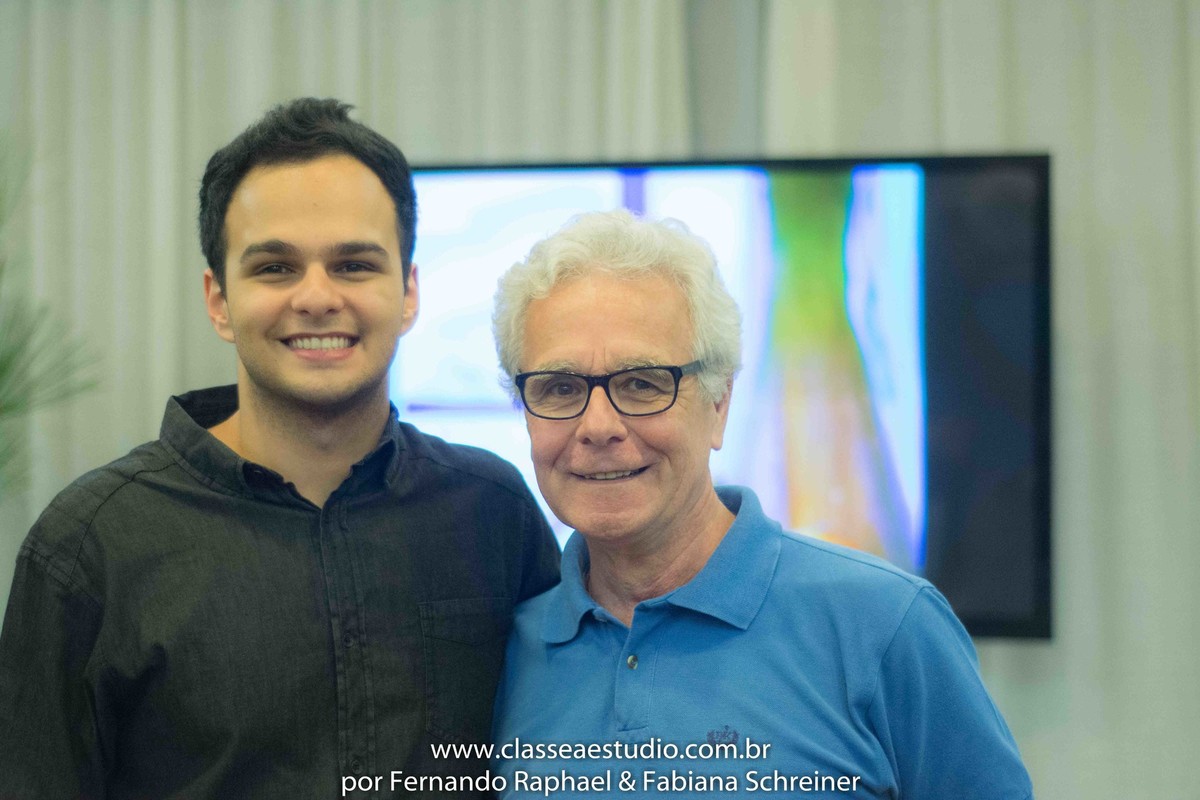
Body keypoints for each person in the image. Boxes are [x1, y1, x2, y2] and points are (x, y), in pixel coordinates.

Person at [0, 98, 559, 799]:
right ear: (218, 301)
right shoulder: (91, 547)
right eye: (275, 268)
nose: (317, 297)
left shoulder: (493, 513)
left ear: (409, 292)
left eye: (355, 265)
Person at [490, 210, 1032, 798]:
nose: (598, 426)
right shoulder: (503, 654)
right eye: (559, 388)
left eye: (643, 383)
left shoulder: (887, 627)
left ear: (720, 404)